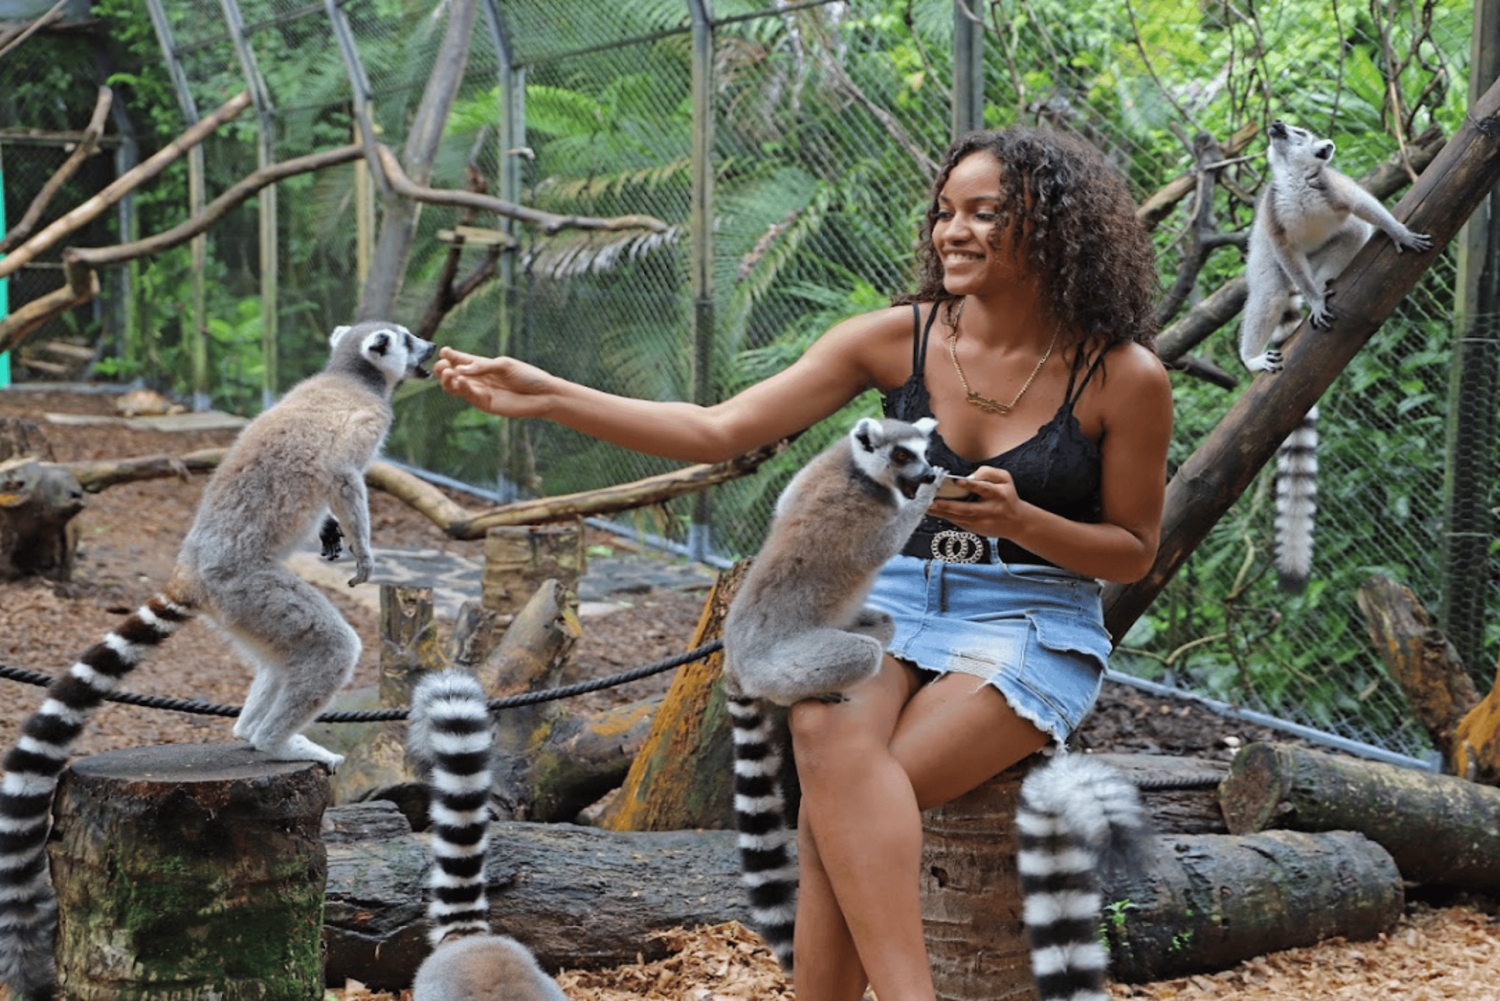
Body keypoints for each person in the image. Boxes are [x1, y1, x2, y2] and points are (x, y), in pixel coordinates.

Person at [435, 126, 1173, 1001]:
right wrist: (551, 394)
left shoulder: (1123, 376)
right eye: (944, 211)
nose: (953, 231)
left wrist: (1024, 520)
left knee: (845, 804)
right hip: (889, 601)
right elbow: (720, 428)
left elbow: (1133, 550)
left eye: (985, 213)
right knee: (829, 740)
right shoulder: (895, 338)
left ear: (1053, 228)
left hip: (1025, 616)